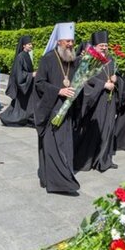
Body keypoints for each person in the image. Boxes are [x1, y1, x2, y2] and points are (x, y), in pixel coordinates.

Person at [33, 22, 81, 195]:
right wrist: (59, 91)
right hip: (51, 110)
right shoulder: (47, 59)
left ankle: (65, 174)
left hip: (67, 110)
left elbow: (77, 81)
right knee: (53, 146)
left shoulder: (73, 60)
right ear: (59, 41)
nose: (70, 44)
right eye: (67, 41)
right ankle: (57, 182)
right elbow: (39, 83)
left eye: (72, 41)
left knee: (65, 145)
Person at [74, 30, 120, 172]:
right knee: (95, 129)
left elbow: (116, 75)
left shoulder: (111, 59)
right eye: (101, 45)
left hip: (109, 100)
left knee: (108, 128)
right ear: (94, 46)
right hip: (96, 99)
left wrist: (115, 79)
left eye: (106, 45)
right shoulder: (88, 59)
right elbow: (84, 77)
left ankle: (104, 160)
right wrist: (103, 85)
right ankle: (88, 160)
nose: (104, 48)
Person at [0, 36, 37, 127]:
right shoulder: (20, 57)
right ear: (24, 46)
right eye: (29, 44)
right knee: (20, 106)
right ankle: (9, 118)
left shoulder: (26, 55)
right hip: (23, 86)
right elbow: (19, 74)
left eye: (31, 44)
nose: (31, 46)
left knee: (22, 106)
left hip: (28, 85)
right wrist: (31, 75)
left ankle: (29, 119)